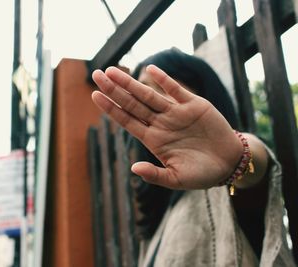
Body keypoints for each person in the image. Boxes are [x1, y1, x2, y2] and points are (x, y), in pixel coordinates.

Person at [91, 48, 296, 266]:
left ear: (202, 95)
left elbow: (255, 169)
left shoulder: (224, 184)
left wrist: (237, 158)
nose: (148, 99)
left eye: (159, 88)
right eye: (141, 90)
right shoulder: (161, 210)